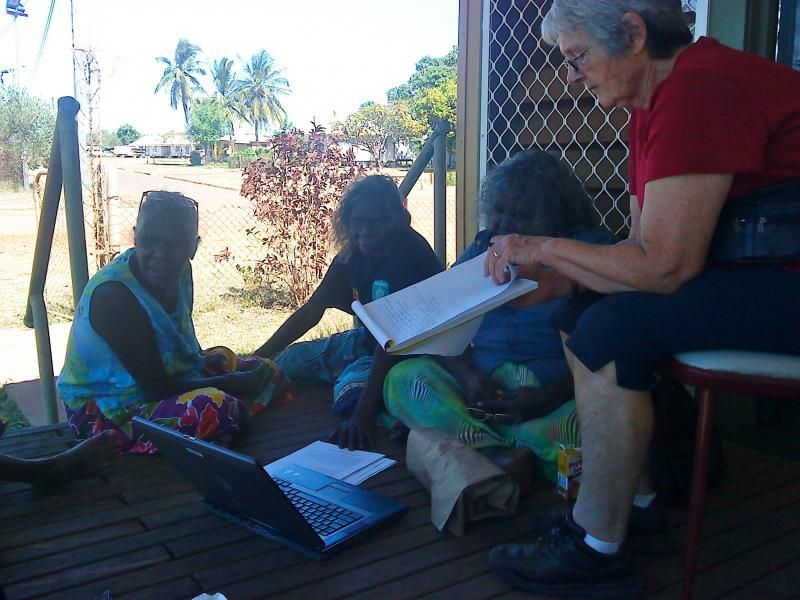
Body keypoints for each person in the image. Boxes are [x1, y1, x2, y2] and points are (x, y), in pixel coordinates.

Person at [484, 2, 800, 597]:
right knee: (579, 316)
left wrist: (541, 246)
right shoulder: (650, 104)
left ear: (632, 34)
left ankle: (596, 548)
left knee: (612, 332)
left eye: (577, 58)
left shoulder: (701, 88)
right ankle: (638, 507)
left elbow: (663, 267)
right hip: (762, 273)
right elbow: (639, 249)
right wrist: (559, 274)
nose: (570, 77)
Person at [383, 149, 616, 481]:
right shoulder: (482, 249)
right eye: (499, 213)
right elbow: (440, 324)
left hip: (555, 397)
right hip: (481, 393)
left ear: (555, 213)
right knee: (404, 380)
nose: (505, 227)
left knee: (594, 424)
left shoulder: (590, 251)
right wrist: (467, 376)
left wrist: (551, 396)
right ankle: (503, 451)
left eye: (520, 216)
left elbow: (611, 354)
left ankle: (479, 448)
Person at [58, 191, 282, 454]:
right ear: (135, 235)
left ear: (193, 247)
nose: (159, 254)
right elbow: (156, 388)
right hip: (109, 410)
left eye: (174, 244)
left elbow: (181, 348)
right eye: (149, 240)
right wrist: (230, 383)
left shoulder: (181, 272)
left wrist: (228, 376)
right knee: (215, 406)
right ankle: (224, 423)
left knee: (267, 370)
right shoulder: (114, 296)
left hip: (164, 381)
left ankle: (221, 427)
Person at [252, 175, 443, 449]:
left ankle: (394, 418)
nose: (365, 230)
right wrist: (259, 357)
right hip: (364, 343)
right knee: (285, 361)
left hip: (411, 354)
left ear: (397, 220)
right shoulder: (352, 255)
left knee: (350, 392)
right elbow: (312, 311)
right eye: (358, 221)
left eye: (376, 221)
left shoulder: (410, 255)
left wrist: (361, 417)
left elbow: (391, 342)